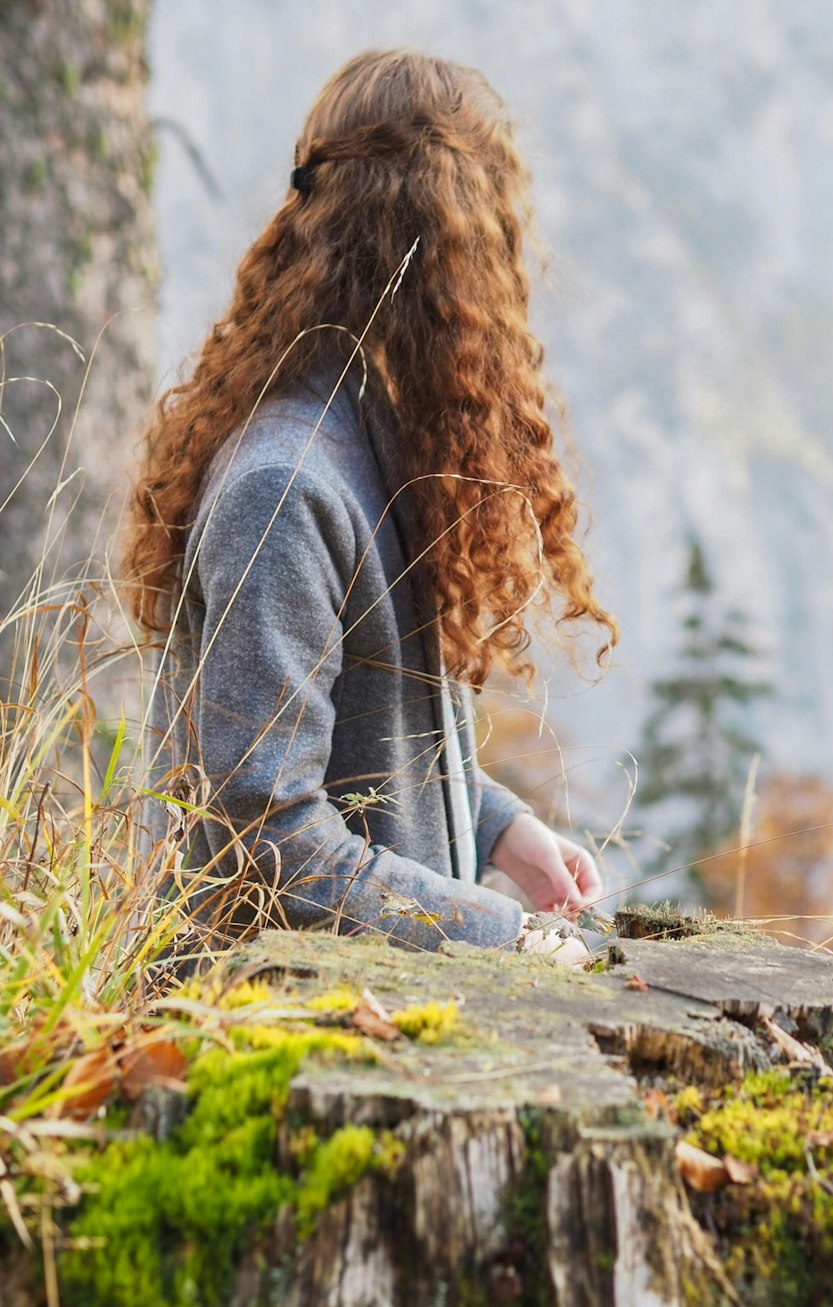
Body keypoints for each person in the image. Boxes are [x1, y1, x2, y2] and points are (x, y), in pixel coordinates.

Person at [123, 49, 617, 958]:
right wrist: (503, 934)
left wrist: (498, 825)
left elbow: (363, 756)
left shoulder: (381, 439)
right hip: (274, 1048)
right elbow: (266, 842)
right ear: (459, 257)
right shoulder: (286, 489)